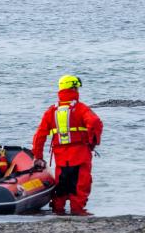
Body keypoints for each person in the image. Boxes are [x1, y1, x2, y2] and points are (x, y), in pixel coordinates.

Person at [32, 75, 103, 215]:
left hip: (61, 158)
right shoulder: (81, 108)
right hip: (81, 155)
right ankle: (78, 212)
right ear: (74, 88)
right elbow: (95, 123)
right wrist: (93, 142)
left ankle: (58, 212)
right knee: (80, 185)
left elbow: (39, 136)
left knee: (61, 186)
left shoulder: (51, 111)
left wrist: (38, 156)